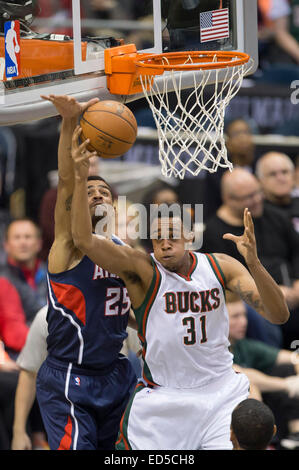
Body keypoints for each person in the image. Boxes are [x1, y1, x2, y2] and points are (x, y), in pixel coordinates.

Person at [70, 126, 289, 450]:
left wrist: (255, 264)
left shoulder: (219, 266)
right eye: (157, 239)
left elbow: (278, 315)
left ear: (189, 236)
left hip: (219, 392)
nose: (165, 244)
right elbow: (84, 239)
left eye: (172, 235)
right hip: (164, 398)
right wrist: (77, 176)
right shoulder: (143, 271)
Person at [35, 95, 137, 451]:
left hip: (115, 373)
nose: (97, 194)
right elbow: (67, 181)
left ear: (113, 203)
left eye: (103, 191)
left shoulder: (125, 253)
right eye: (90, 190)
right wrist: (68, 122)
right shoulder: (69, 245)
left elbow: (136, 310)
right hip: (69, 378)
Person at [201, 168, 299, 349]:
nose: (257, 200)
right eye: (248, 197)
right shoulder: (215, 233)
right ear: (229, 199)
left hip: (293, 291)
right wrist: (273, 293)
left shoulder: (275, 216)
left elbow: (296, 251)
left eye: (258, 193)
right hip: (255, 301)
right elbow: (225, 284)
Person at [228, 299, 299, 449]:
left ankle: (296, 434)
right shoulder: (211, 350)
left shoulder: (243, 345)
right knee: (252, 388)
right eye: (235, 316)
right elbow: (241, 373)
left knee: (285, 368)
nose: (244, 322)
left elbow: (289, 357)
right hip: (228, 414)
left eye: (244, 315)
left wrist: (296, 363)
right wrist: (287, 385)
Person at [0, 218, 47, 358]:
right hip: (20, 353)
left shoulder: (53, 273)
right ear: (6, 245)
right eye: (17, 237)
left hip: (52, 348)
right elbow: (14, 334)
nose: (23, 242)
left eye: (28, 237)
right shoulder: (3, 279)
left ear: (39, 244)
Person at [203, 118, 257, 222]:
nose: (242, 138)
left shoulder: (261, 167)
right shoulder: (216, 173)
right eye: (236, 134)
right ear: (227, 142)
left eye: (246, 132)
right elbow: (210, 206)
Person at [256, 151, 299, 233]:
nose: (280, 178)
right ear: (260, 181)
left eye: (284, 172)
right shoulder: (256, 214)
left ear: (294, 176)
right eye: (272, 174)